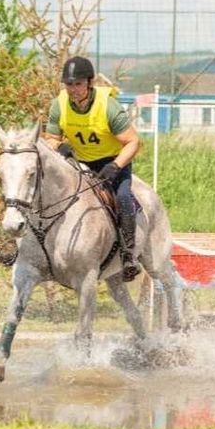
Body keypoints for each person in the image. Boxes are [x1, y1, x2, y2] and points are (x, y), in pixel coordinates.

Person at [43, 56, 142, 281]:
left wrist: (115, 166)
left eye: (78, 84)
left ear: (89, 82)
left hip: (113, 163)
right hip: (80, 163)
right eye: (69, 84)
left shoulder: (108, 106)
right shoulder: (59, 104)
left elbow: (133, 142)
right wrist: (60, 145)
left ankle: (128, 255)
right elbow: (50, 138)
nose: (73, 89)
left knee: (123, 197)